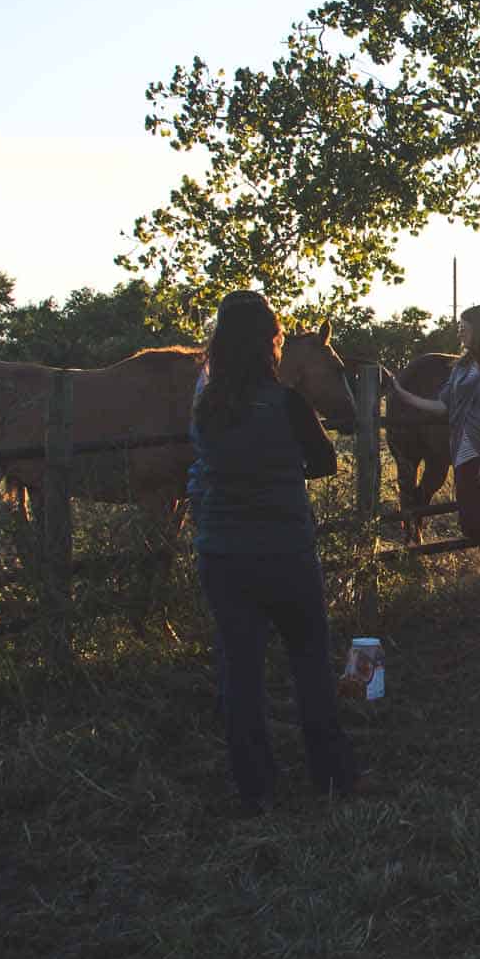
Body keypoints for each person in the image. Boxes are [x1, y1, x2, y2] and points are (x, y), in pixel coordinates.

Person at [189, 291, 358, 814]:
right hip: (283, 547)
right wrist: (288, 469)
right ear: (271, 341)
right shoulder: (285, 402)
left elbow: (205, 464)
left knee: (240, 669)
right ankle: (330, 774)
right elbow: (326, 461)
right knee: (309, 659)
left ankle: (254, 785)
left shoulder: (206, 403)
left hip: (222, 550)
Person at [388, 305, 480, 605]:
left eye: (464, 326)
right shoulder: (462, 368)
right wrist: (403, 394)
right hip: (466, 452)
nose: (459, 331)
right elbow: (443, 406)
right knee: (469, 523)